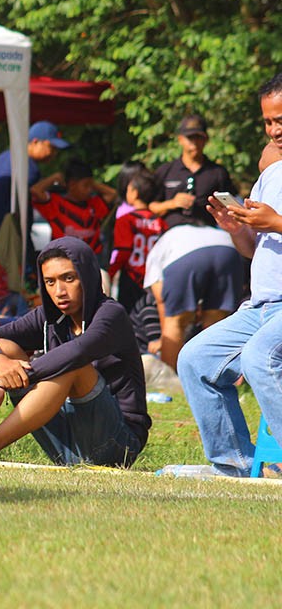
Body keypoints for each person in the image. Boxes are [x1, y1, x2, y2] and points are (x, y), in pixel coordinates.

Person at [0, 237, 150, 468]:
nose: (59, 291)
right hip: (65, 444)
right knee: (4, 347)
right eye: (49, 282)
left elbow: (76, 353)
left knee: (72, 365)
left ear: (87, 276)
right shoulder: (48, 318)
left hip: (117, 445)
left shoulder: (110, 315)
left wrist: (2, 384)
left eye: (69, 278)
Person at [175, 77, 282, 477]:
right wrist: (237, 228)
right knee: (194, 359)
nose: (274, 131)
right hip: (262, 304)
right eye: (268, 122)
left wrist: (277, 222)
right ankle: (234, 465)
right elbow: (254, 250)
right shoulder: (271, 173)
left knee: (260, 359)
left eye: (281, 120)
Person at [142, 222, 243, 369]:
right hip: (228, 249)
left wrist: (166, 338)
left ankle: (170, 382)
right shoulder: (205, 230)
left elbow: (162, 302)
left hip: (185, 256)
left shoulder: (156, 251)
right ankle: (214, 375)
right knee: (215, 323)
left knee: (175, 321)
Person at [0, 120, 69, 252]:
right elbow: (34, 191)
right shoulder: (27, 166)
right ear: (35, 142)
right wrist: (52, 179)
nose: (54, 154)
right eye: (51, 147)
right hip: (7, 236)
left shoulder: (6, 157)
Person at [150, 114, 236, 229]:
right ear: (180, 139)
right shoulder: (166, 171)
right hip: (171, 236)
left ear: (206, 139)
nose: (194, 142)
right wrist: (172, 203)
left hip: (207, 234)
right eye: (190, 138)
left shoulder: (218, 173)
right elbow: (150, 207)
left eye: (199, 137)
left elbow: (232, 207)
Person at [31, 157, 118, 259]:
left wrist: (92, 183)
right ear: (72, 184)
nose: (90, 190)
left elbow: (113, 193)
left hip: (92, 258)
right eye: (86, 186)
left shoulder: (94, 204)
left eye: (91, 186)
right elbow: (35, 190)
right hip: (64, 259)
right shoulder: (55, 204)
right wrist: (55, 177)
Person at [108, 168, 167, 312]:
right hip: (154, 280)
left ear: (134, 193)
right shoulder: (161, 222)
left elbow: (123, 250)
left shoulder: (125, 220)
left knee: (130, 320)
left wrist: (110, 273)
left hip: (131, 279)